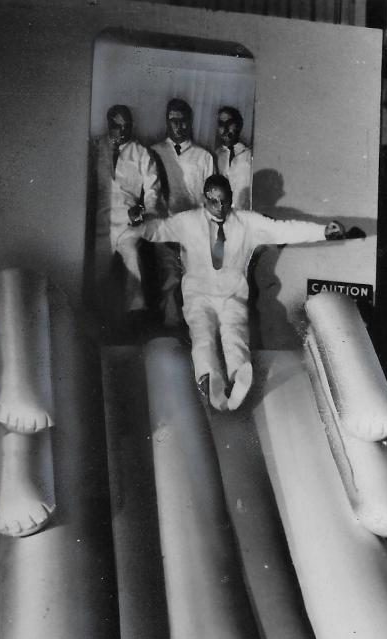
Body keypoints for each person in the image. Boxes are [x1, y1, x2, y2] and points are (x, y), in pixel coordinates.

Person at [135, 173, 344, 410]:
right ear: (205, 199)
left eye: (224, 201)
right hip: (198, 296)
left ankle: (238, 377)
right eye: (214, 201)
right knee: (202, 336)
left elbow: (284, 229)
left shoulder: (247, 222)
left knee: (234, 336)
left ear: (232, 198)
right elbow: (156, 230)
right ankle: (208, 378)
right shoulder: (187, 221)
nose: (220, 207)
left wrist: (322, 232)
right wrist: (138, 222)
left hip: (232, 295)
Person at [94, 104, 162, 320]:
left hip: (128, 222)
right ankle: (97, 316)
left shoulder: (141, 152)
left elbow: (153, 189)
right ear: (108, 125)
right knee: (97, 268)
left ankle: (135, 315)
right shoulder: (97, 148)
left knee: (133, 258)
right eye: (116, 126)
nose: (122, 131)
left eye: (126, 126)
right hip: (99, 221)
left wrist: (144, 211)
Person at [150, 99, 214, 327]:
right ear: (167, 122)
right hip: (165, 227)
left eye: (183, 121)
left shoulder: (204, 157)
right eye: (173, 121)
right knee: (169, 280)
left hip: (195, 231)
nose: (179, 126)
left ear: (190, 122)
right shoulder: (155, 152)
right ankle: (171, 328)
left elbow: (209, 198)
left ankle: (193, 331)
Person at [213, 105, 252, 210]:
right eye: (221, 124)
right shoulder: (214, 156)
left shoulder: (250, 155)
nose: (225, 128)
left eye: (229, 123)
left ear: (238, 125)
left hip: (244, 214)